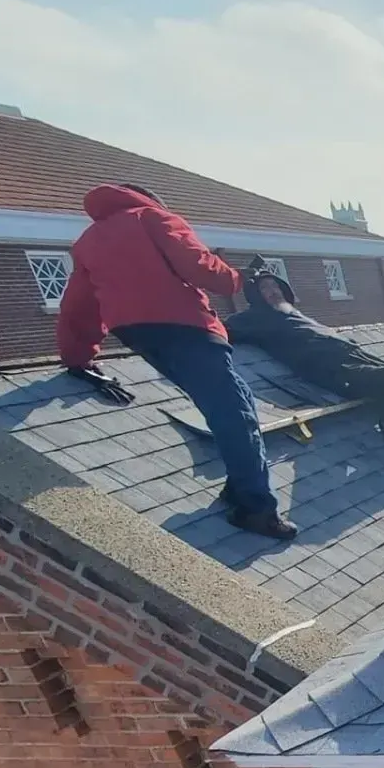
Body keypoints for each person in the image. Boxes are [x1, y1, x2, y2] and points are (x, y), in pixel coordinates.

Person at [56, 184, 296, 540]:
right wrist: (236, 278)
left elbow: (78, 306)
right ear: (152, 200)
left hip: (139, 335)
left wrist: (78, 358)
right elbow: (200, 268)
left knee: (235, 402)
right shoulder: (154, 217)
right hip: (186, 328)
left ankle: (239, 485)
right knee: (236, 414)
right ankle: (254, 508)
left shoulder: (89, 241)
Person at [226, 261, 384, 467]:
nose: (273, 291)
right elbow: (220, 330)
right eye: (265, 288)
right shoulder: (254, 318)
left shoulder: (291, 312)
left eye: (275, 285)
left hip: (354, 354)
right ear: (256, 296)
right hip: (331, 368)